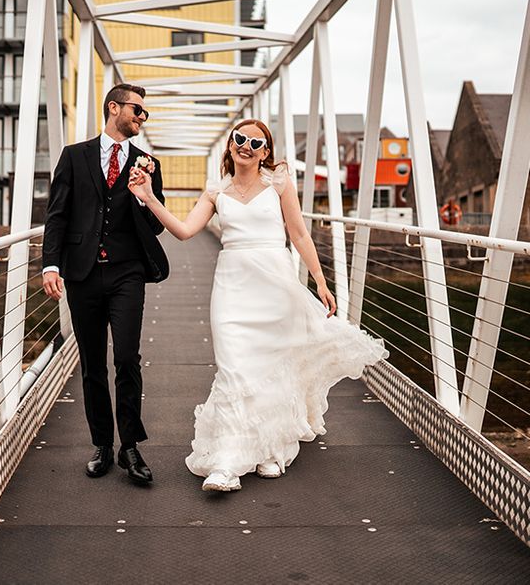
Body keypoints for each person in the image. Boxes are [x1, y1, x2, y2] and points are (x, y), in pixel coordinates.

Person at [128, 119, 387, 492]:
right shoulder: (216, 191)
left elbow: (298, 232)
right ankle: (227, 464)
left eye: (255, 142)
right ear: (231, 144)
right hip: (232, 286)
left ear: (265, 152)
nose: (245, 145)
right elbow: (185, 232)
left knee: (271, 367)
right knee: (235, 369)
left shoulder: (278, 183)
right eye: (240, 138)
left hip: (275, 286)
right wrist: (149, 197)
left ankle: (271, 449)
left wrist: (319, 279)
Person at [42, 83, 169, 485]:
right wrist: (50, 265)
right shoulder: (74, 156)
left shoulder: (148, 163)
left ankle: (131, 446)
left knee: (127, 358)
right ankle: (102, 445)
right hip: (82, 273)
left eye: (144, 113)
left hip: (127, 272)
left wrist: (141, 196)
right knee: (92, 363)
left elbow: (156, 225)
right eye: (137, 110)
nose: (142, 117)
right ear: (113, 107)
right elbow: (57, 215)